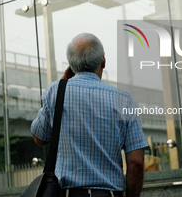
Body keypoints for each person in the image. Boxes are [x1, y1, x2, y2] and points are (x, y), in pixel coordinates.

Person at [31, 33, 148, 197]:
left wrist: (64, 82)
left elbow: (40, 138)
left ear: (71, 65)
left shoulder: (55, 91)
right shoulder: (124, 100)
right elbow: (136, 162)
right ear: (103, 61)